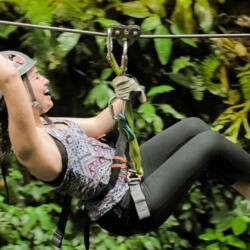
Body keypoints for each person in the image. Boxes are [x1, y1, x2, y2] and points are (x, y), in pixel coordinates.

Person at [0, 50, 250, 245]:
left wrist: (125, 93)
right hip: (126, 207)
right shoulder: (29, 146)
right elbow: (9, 77)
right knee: (209, 143)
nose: (44, 80)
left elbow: (99, 125)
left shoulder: (52, 125)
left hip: (127, 175)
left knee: (193, 128)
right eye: (35, 77)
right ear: (19, 93)